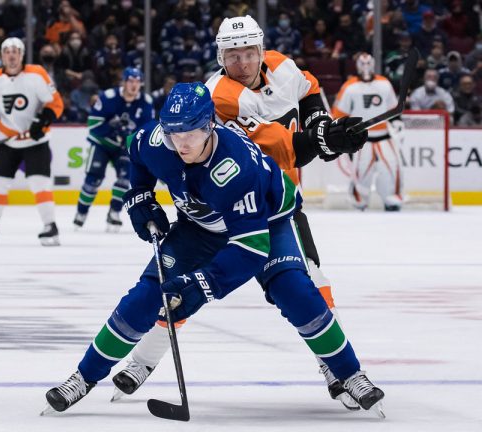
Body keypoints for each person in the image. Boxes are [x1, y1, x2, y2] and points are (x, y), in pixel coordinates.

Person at [43, 82, 385, 416]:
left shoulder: (235, 167)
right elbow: (136, 153)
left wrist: (203, 284)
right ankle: (83, 377)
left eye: (190, 132)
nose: (181, 143)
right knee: (146, 296)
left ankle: (350, 373)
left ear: (210, 125)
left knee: (294, 291)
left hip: (267, 222)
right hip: (200, 227)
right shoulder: (159, 139)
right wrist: (140, 195)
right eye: (174, 132)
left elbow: (251, 248)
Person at [110, 15, 368, 411]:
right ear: (220, 57)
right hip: (222, 207)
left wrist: (322, 125)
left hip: (274, 201)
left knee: (312, 279)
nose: (243, 63)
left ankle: (333, 367)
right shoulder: (220, 97)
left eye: (249, 53)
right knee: (182, 287)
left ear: (262, 51)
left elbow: (310, 89)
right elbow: (286, 150)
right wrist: (326, 140)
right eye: (233, 55)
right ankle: (142, 361)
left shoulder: (281, 66)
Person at [0, 37, 64, 246]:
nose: (11, 55)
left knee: (39, 182)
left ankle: (50, 225)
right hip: (8, 139)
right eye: (7, 52)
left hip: (35, 141)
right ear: (2, 56)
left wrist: (43, 122)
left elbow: (55, 103)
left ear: (22, 55)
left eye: (15, 51)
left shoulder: (36, 74)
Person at [73, 66, 154, 232]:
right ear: (123, 82)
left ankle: (114, 213)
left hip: (125, 147)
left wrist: (130, 141)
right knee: (92, 180)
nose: (134, 85)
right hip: (102, 143)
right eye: (130, 81)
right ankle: (81, 213)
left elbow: (147, 130)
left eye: (137, 82)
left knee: (125, 179)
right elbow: (93, 124)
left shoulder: (146, 102)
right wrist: (112, 129)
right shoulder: (108, 97)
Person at [333, 53, 402, 211]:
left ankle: (392, 200)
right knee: (361, 172)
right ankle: (359, 201)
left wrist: (397, 122)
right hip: (360, 138)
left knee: (391, 168)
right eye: (362, 64)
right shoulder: (349, 86)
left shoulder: (384, 83)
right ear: (357, 65)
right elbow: (339, 113)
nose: (365, 67)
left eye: (368, 64)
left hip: (384, 136)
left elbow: (393, 109)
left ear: (374, 64)